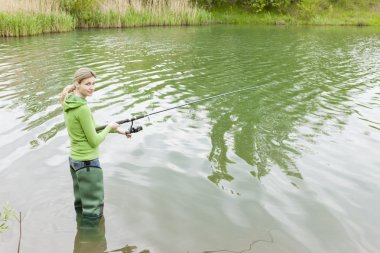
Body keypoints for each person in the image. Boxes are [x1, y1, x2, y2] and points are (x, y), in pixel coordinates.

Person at [59, 67, 129, 229]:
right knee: (93, 210)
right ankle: (90, 241)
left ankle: (80, 238)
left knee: (81, 204)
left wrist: (115, 129)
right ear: (77, 84)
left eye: (93, 83)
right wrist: (109, 126)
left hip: (75, 161)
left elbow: (87, 128)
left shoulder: (69, 102)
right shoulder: (83, 108)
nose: (92, 87)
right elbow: (94, 141)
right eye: (87, 84)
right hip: (88, 164)